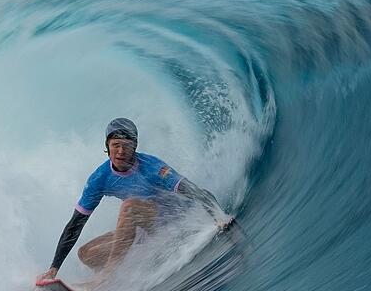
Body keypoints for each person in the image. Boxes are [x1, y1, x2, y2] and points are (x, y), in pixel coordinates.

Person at [38, 118, 233, 282]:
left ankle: (107, 277)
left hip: (174, 220)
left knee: (129, 206)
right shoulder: (99, 178)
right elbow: (75, 225)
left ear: (135, 147)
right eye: (116, 145)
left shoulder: (152, 167)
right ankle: (113, 282)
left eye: (126, 146)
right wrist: (54, 268)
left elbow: (196, 191)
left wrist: (218, 216)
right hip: (145, 231)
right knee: (86, 254)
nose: (121, 151)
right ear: (107, 147)